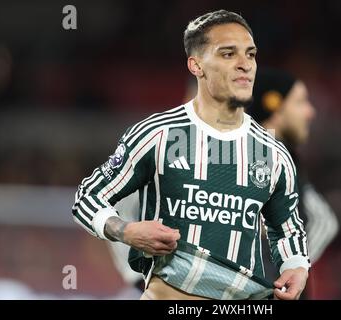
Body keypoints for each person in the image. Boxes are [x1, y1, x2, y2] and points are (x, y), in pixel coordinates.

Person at [72, 10, 310, 300]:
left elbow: (287, 226)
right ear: (196, 65)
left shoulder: (273, 152)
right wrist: (126, 231)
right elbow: (88, 197)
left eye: (250, 54)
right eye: (227, 54)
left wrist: (297, 264)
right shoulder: (157, 134)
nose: (244, 65)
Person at [247, 68, 339, 290]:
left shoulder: (281, 157)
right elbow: (325, 221)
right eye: (300, 102)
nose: (310, 112)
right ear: (274, 106)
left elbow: (325, 221)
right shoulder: (267, 156)